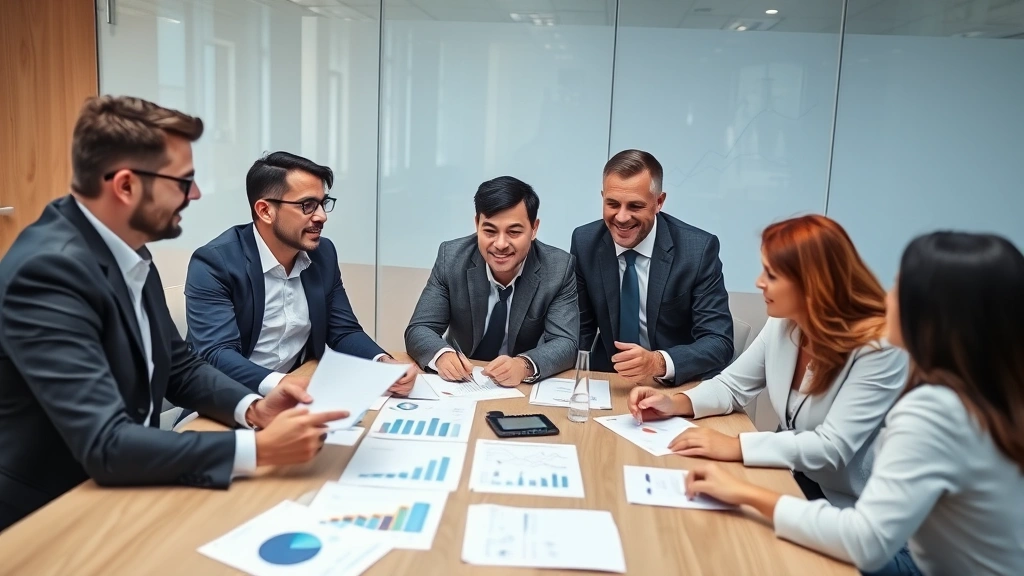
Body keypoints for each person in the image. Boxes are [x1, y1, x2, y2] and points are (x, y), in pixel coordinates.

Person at [0, 96, 345, 532]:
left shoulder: (126, 248)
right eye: (183, 182)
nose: (196, 194)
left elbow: (179, 367)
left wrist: (255, 408)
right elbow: (105, 443)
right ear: (125, 185)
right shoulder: (49, 271)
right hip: (51, 513)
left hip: (125, 484)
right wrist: (258, 450)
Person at [682, 232, 1024, 576]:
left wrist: (743, 493)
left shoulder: (934, 411)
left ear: (934, 314)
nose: (886, 298)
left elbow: (865, 542)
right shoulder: (987, 394)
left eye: (898, 286)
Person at [629, 215, 908, 509]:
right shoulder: (785, 324)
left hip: (855, 507)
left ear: (812, 284)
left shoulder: (878, 349)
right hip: (793, 478)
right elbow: (732, 385)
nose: (759, 282)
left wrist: (736, 445)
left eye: (772, 275)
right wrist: (674, 403)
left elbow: (831, 447)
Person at [184, 151, 416, 400]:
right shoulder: (214, 262)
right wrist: (284, 384)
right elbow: (218, 354)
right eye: (307, 205)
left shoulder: (322, 254)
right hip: (228, 398)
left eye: (323, 203)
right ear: (265, 211)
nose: (322, 216)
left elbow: (343, 330)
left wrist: (382, 363)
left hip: (299, 391)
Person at [571, 149, 733, 387]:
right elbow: (579, 332)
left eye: (635, 206)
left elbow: (719, 341)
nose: (622, 217)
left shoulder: (697, 250)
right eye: (612, 204)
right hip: (609, 383)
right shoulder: (585, 242)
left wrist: (658, 362)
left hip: (676, 384)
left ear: (659, 202)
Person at [405, 176, 579, 386]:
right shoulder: (450, 258)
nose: (501, 244)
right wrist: (441, 355)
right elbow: (420, 328)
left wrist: (523, 365)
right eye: (489, 231)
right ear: (477, 224)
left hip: (520, 386)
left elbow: (566, 343)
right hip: (461, 383)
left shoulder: (558, 268)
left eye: (514, 232)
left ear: (534, 228)